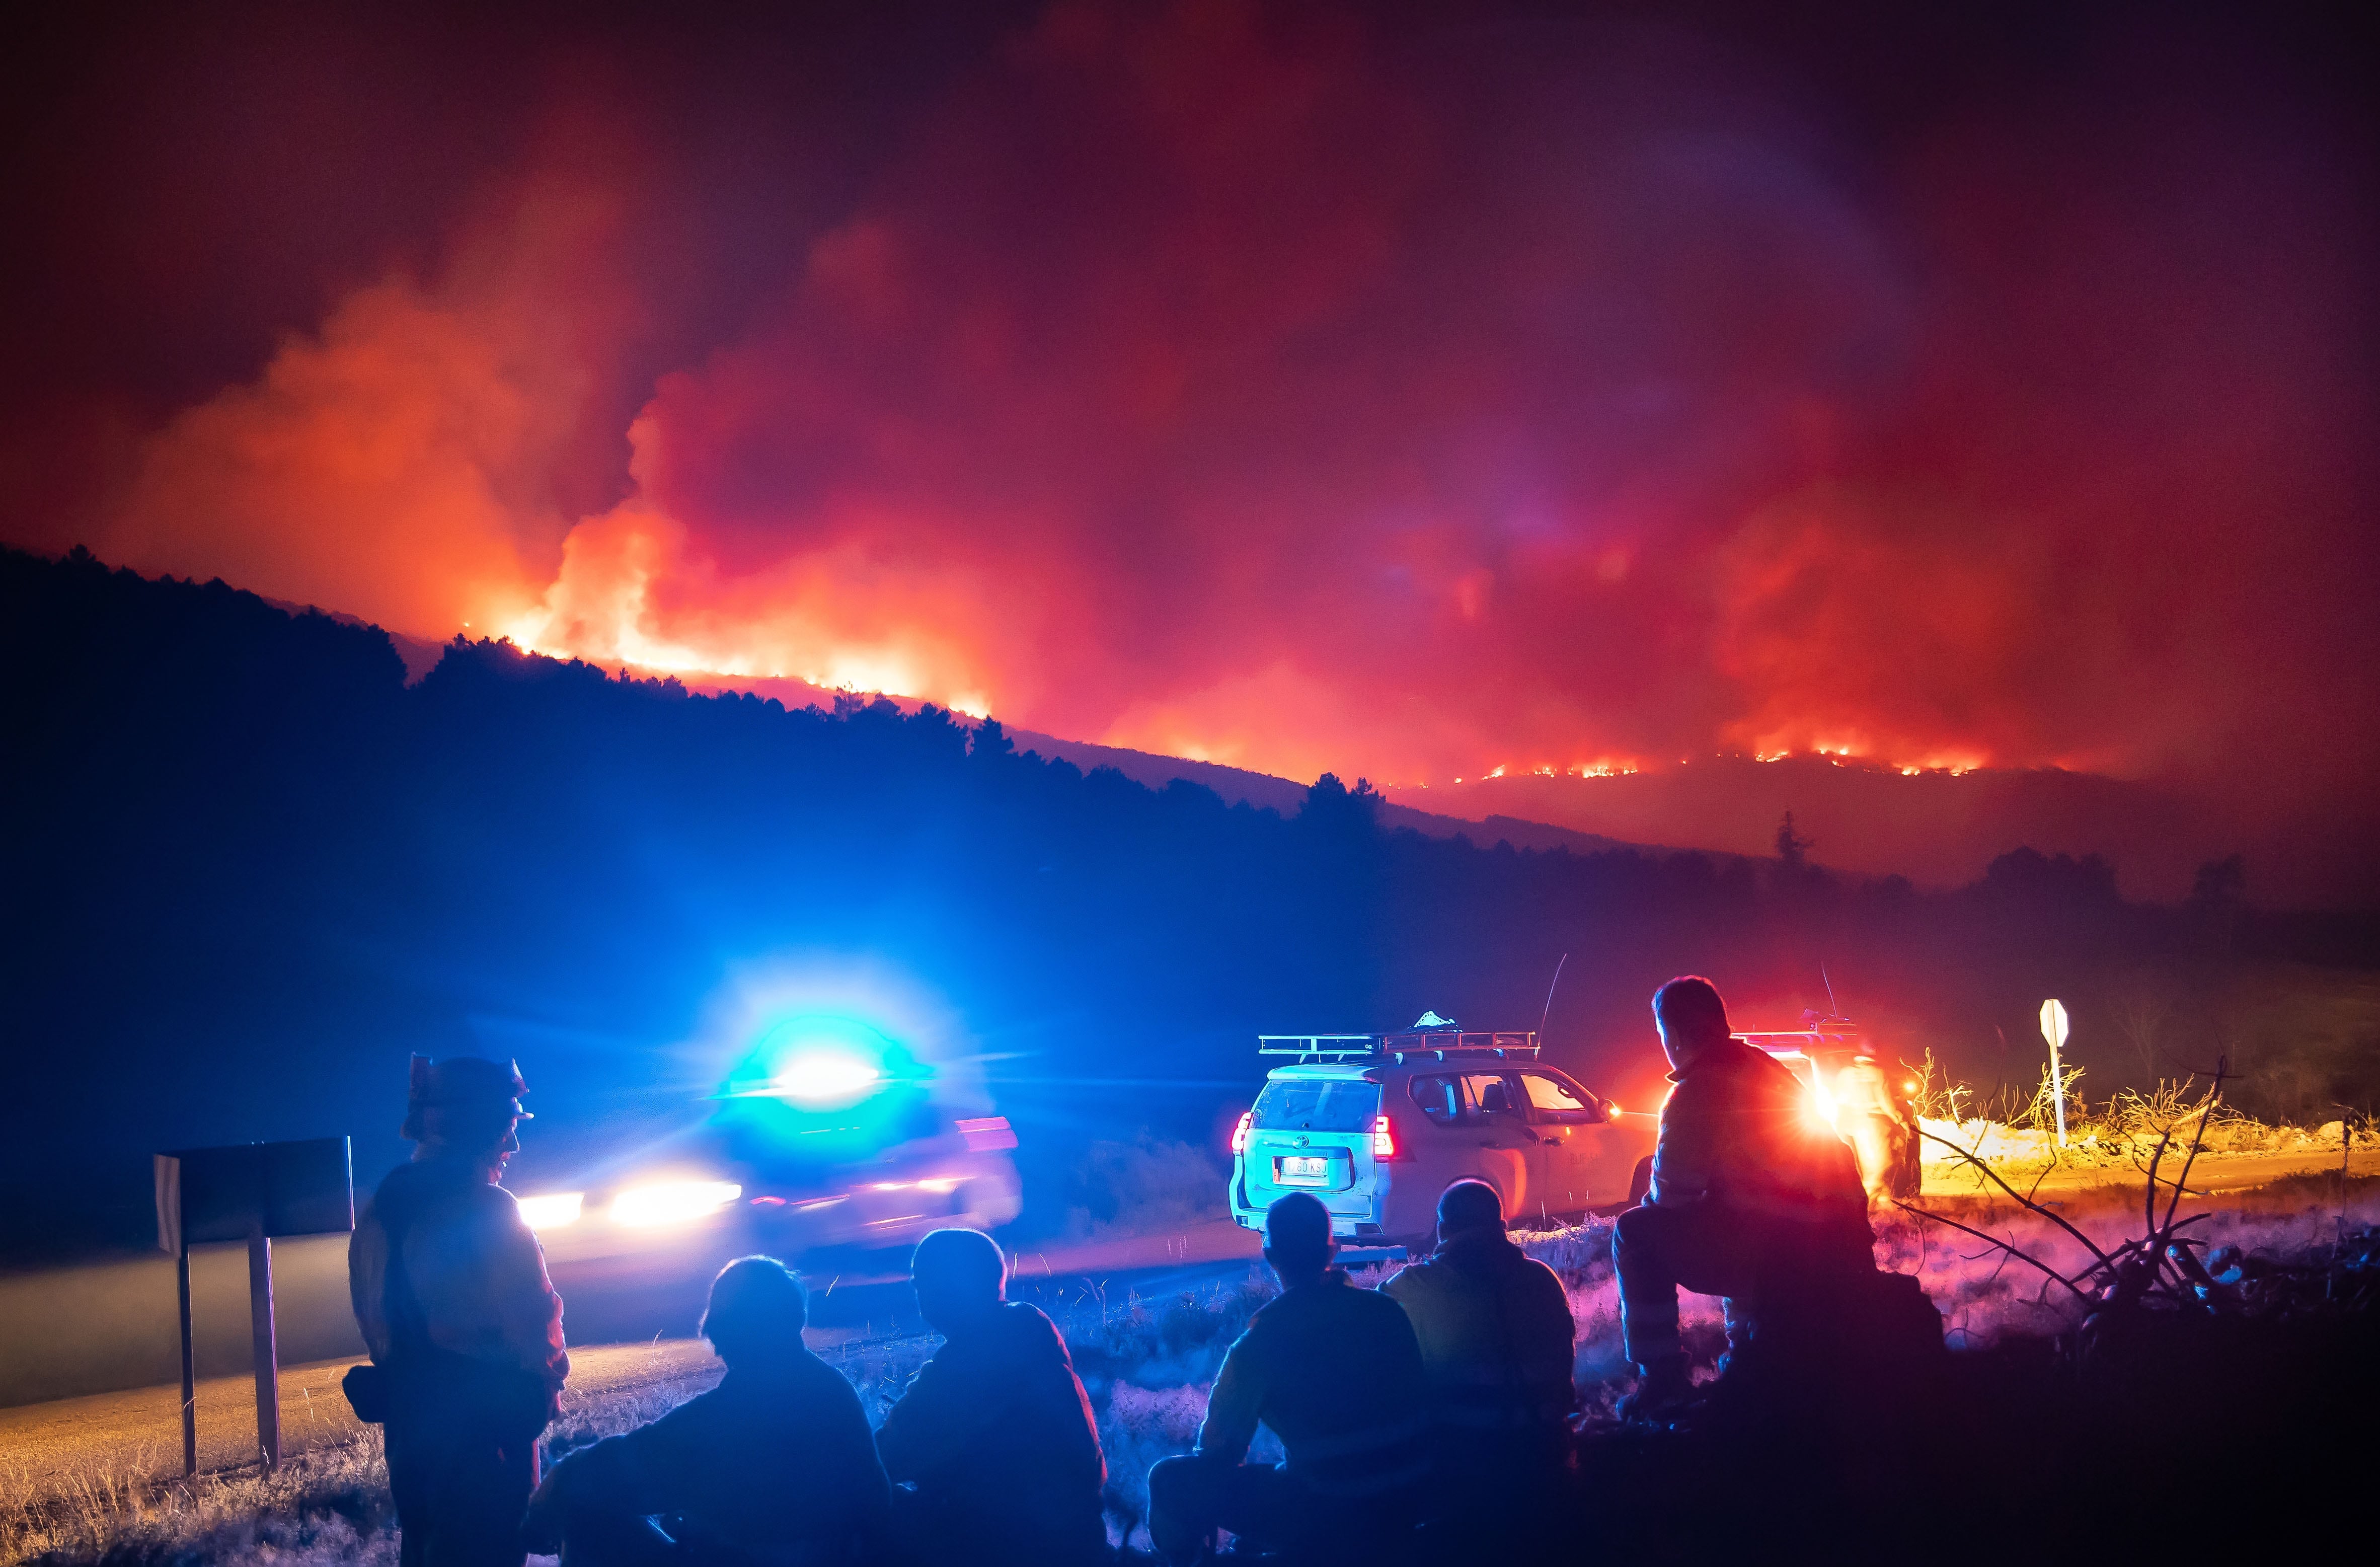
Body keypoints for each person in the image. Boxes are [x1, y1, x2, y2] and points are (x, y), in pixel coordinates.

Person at [521, 1256, 892, 1566]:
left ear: (723, 1333)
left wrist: (560, 1479)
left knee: (586, 1515)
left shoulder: (733, 1412)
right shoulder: (831, 1388)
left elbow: (630, 1463)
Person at [1612, 978, 1871, 1415]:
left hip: (1782, 1255)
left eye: (1661, 1034)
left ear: (1671, 1034)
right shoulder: (1770, 1070)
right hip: (1840, 1248)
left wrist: (1663, 1211)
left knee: (1635, 1234)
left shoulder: (1696, 1090)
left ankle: (1661, 1381)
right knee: (1737, 1214)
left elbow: (1670, 1199)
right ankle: (1750, 1355)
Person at [349, 1056, 570, 1567]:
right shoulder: (489, 1210)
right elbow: (537, 1328)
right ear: (476, 1127)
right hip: (486, 1437)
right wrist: (542, 1391)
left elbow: (374, 1323)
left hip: (409, 1432)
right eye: (506, 1126)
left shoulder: (379, 1210)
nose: (512, 1144)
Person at [1147, 1195, 1430, 1564]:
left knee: (1167, 1478)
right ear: (1334, 1249)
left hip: (1327, 1507)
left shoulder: (1260, 1342)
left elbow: (1219, 1452)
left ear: (1270, 1256)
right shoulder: (1386, 1312)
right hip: (1410, 1497)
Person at [874, 1228, 1108, 1567]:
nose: (916, 1290)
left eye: (921, 1279)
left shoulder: (969, 1358)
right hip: (1075, 1532)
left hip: (1013, 1542)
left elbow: (891, 1455)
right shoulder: (1027, 1324)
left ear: (949, 1286)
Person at [1381, 1180, 1575, 1487]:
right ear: (1502, 1226)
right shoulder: (1543, 1280)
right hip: (1546, 1448)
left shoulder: (1414, 1287)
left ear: (1443, 1231)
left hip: (1463, 1454)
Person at [1831, 1053, 1915, 1201]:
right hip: (1876, 1126)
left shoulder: (1846, 1073)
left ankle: (1882, 1205)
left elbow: (1839, 1099)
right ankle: (1871, 1207)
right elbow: (1886, 1103)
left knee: (1868, 1167)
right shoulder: (1877, 1073)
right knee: (1879, 1168)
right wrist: (1902, 1121)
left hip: (1855, 1125)